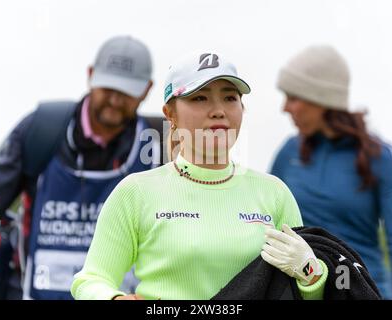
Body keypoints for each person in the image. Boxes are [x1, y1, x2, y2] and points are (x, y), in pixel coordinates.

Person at [71, 51, 329, 300]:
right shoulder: (136, 192)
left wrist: (311, 275)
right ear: (170, 114)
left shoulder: (274, 193)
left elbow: (300, 293)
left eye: (230, 98)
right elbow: (90, 279)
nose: (219, 110)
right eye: (200, 98)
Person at [0, 35, 160, 300]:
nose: (115, 101)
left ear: (147, 89)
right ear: (91, 76)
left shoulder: (160, 146)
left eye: (126, 92)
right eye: (109, 88)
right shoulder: (41, 129)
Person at [269, 45, 392, 299]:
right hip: (303, 292)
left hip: (364, 291)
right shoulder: (288, 153)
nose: (285, 108)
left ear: (321, 99)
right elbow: (265, 226)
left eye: (293, 98)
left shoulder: (382, 157)